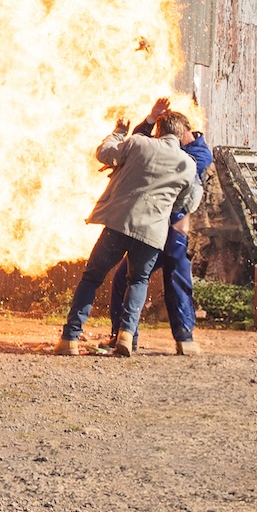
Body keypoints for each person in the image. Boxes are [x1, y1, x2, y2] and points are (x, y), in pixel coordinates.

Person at [55, 109, 203, 357]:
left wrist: (120, 130)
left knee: (92, 278)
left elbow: (105, 154)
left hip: (119, 223)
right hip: (153, 232)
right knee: (138, 281)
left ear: (158, 130)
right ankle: (126, 334)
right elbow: (187, 202)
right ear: (180, 134)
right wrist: (164, 207)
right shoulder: (188, 164)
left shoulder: (138, 143)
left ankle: (69, 338)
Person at [105, 99, 215, 356]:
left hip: (174, 229)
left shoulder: (200, 153)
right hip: (151, 225)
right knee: (125, 277)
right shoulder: (168, 144)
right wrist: (150, 120)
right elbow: (137, 148)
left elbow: (159, 162)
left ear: (182, 132)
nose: (159, 139)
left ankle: (184, 338)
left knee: (177, 279)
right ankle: (122, 336)